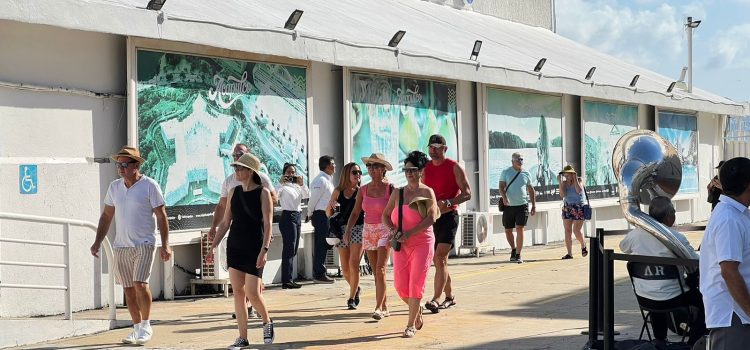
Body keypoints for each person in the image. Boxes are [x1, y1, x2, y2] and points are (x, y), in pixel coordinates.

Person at [90, 146, 171, 345]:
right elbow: (106, 216)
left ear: (136, 165)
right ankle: (136, 329)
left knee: (140, 284)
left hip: (144, 243)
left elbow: (162, 216)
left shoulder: (149, 185)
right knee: (128, 289)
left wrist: (165, 244)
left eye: (125, 164)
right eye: (119, 164)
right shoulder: (114, 187)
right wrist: (98, 241)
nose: (121, 168)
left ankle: (146, 324)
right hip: (121, 246)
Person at [207, 153, 275, 347]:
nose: (235, 171)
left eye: (239, 168)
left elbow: (268, 224)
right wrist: (213, 246)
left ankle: (267, 321)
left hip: (255, 245)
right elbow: (226, 222)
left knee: (253, 293)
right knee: (238, 291)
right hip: (235, 246)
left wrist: (265, 249)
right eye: (235, 167)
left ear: (250, 171)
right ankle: (243, 337)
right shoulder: (234, 192)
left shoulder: (263, 193)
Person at [620, 196, 706, 347]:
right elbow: (694, 261)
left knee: (656, 293)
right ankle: (694, 342)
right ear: (668, 216)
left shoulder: (635, 235)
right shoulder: (675, 237)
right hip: (674, 298)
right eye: (674, 211)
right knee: (704, 301)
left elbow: (623, 247)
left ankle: (660, 339)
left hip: (644, 298)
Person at [382, 150, 439, 338]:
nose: (409, 173)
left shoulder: (426, 191)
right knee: (400, 286)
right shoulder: (398, 192)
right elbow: (385, 216)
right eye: (406, 170)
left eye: (413, 169)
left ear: (421, 171)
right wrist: (393, 231)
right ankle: (417, 309)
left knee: (416, 283)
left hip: (422, 241)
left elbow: (431, 218)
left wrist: (410, 233)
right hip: (401, 243)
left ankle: (410, 325)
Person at [700, 157, 750, 350]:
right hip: (733, 315)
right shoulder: (729, 218)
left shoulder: (737, 213)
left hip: (739, 314)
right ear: (747, 185)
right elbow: (729, 271)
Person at [422, 134, 471, 314]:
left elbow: (467, 193)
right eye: (430, 147)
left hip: (449, 216)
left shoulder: (454, 167)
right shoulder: (425, 168)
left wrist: (448, 202)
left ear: (445, 148)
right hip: (431, 218)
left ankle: (435, 299)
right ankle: (449, 297)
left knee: (440, 257)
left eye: (436, 147)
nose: (433, 151)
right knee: (440, 260)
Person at [346, 153, 394, 320]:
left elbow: (397, 211)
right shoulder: (363, 189)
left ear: (383, 169)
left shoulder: (391, 189)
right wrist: (348, 231)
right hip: (368, 230)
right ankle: (385, 305)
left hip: (385, 230)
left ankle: (379, 307)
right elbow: (355, 212)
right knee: (376, 271)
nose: (372, 169)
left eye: (375, 166)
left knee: (380, 269)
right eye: (370, 166)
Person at [326, 162, 365, 309]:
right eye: (354, 172)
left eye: (359, 172)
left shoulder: (362, 191)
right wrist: (331, 206)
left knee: (354, 264)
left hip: (358, 228)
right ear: (347, 174)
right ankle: (356, 288)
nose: (358, 175)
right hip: (341, 230)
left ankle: (351, 298)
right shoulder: (338, 191)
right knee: (345, 268)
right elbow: (328, 213)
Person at [276, 162, 310, 289]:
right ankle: (287, 280)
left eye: (293, 172)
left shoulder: (296, 186)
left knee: (294, 248)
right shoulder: (282, 187)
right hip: (288, 216)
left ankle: (289, 278)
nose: (291, 174)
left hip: (297, 216)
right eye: (289, 172)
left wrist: (301, 184)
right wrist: (280, 183)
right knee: (289, 249)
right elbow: (274, 195)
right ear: (284, 173)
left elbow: (307, 195)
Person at [499, 152, 536, 264]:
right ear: (512, 161)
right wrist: (504, 197)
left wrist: (533, 205)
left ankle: (519, 254)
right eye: (518, 159)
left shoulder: (526, 173)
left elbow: (531, 190)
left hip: (522, 205)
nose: (520, 161)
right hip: (508, 206)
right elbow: (501, 187)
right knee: (508, 230)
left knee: (520, 228)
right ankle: (513, 249)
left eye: (522, 159)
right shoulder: (506, 172)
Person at [309, 155, 337, 283]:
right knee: (321, 244)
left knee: (325, 244)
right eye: (332, 163)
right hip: (320, 215)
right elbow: (313, 200)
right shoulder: (321, 180)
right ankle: (319, 274)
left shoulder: (327, 180)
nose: (335, 165)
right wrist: (310, 213)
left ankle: (320, 272)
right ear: (326, 166)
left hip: (326, 215)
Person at [558, 165, 588, 259]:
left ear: (572, 174)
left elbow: (579, 191)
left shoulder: (579, 180)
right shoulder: (564, 183)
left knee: (576, 230)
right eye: (565, 176)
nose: (566, 178)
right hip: (567, 207)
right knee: (567, 231)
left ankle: (583, 245)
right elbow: (562, 195)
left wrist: (575, 179)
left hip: (578, 207)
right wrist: (560, 182)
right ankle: (569, 253)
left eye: (568, 175)